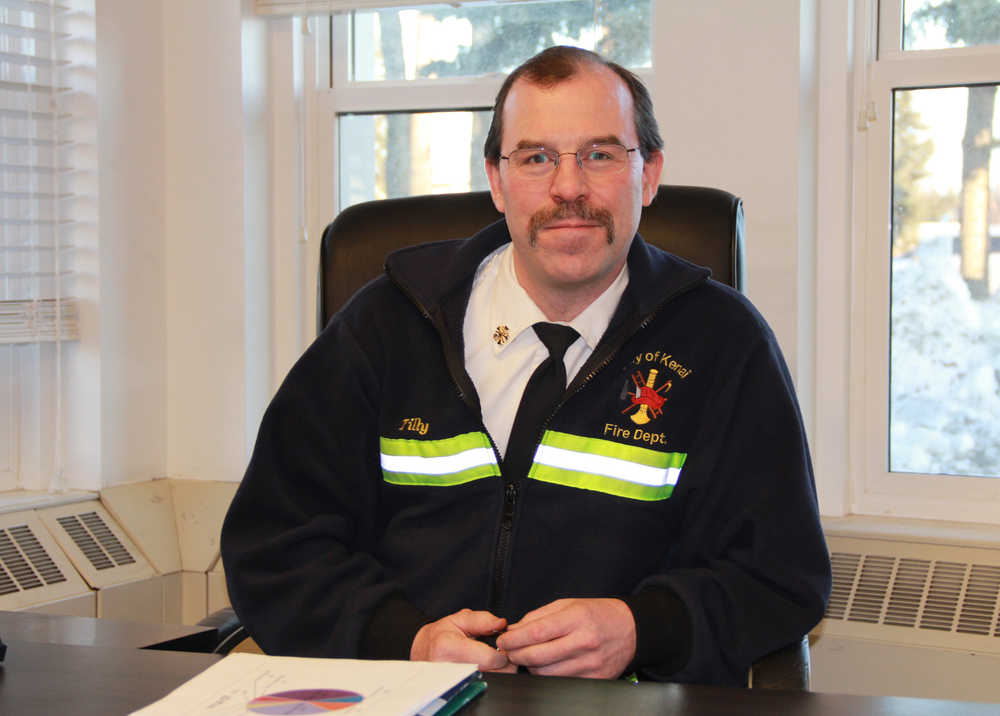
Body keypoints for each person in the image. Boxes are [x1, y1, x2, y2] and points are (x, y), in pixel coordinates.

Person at [221, 45, 831, 686]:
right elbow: (274, 549)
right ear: (496, 179)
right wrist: (409, 641)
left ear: (647, 174)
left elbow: (781, 577)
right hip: (407, 696)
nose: (569, 188)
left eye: (599, 154)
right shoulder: (385, 327)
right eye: (536, 158)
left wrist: (641, 629)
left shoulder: (723, 343)